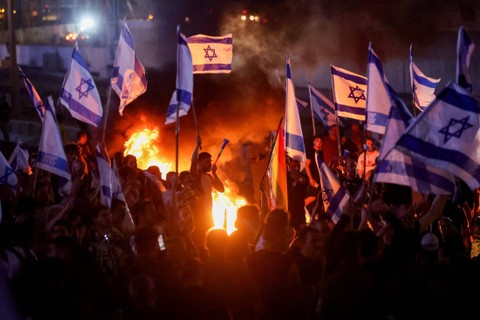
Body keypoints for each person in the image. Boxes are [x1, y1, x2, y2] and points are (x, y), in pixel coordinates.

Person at [190, 137, 225, 253]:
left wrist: (215, 173)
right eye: (207, 161)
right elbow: (193, 161)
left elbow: (221, 189)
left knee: (207, 242)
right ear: (200, 163)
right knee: (199, 241)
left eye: (210, 161)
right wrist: (196, 145)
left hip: (208, 214)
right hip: (199, 215)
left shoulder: (209, 176)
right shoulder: (195, 175)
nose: (210, 164)